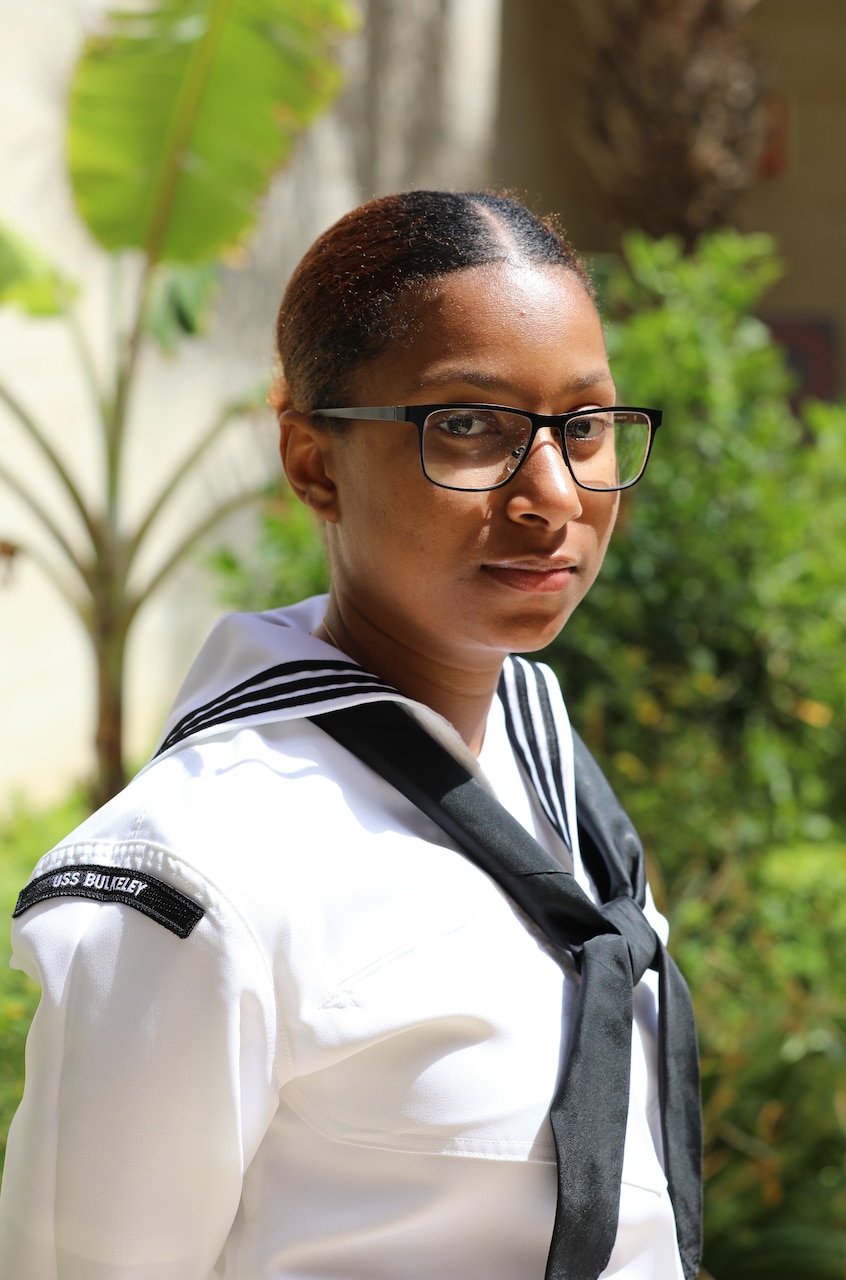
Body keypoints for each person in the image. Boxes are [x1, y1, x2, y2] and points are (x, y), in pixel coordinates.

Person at [0, 190, 701, 1280]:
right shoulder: (199, 878)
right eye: (466, 424)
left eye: (585, 423)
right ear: (313, 461)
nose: (552, 493)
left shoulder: (538, 753)